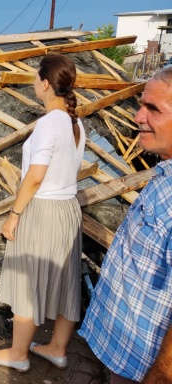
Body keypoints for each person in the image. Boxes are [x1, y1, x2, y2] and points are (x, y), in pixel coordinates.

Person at [0, 54, 86, 372]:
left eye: (34, 78)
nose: (32, 83)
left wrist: (14, 213)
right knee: (67, 280)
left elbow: (36, 176)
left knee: (28, 281)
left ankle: (18, 355)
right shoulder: (75, 122)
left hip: (42, 209)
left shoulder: (47, 125)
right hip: (68, 208)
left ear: (44, 84)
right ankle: (56, 348)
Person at [79, 66, 172, 384]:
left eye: (153, 109)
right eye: (141, 104)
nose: (137, 117)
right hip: (130, 353)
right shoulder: (165, 172)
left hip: (149, 370)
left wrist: (159, 376)